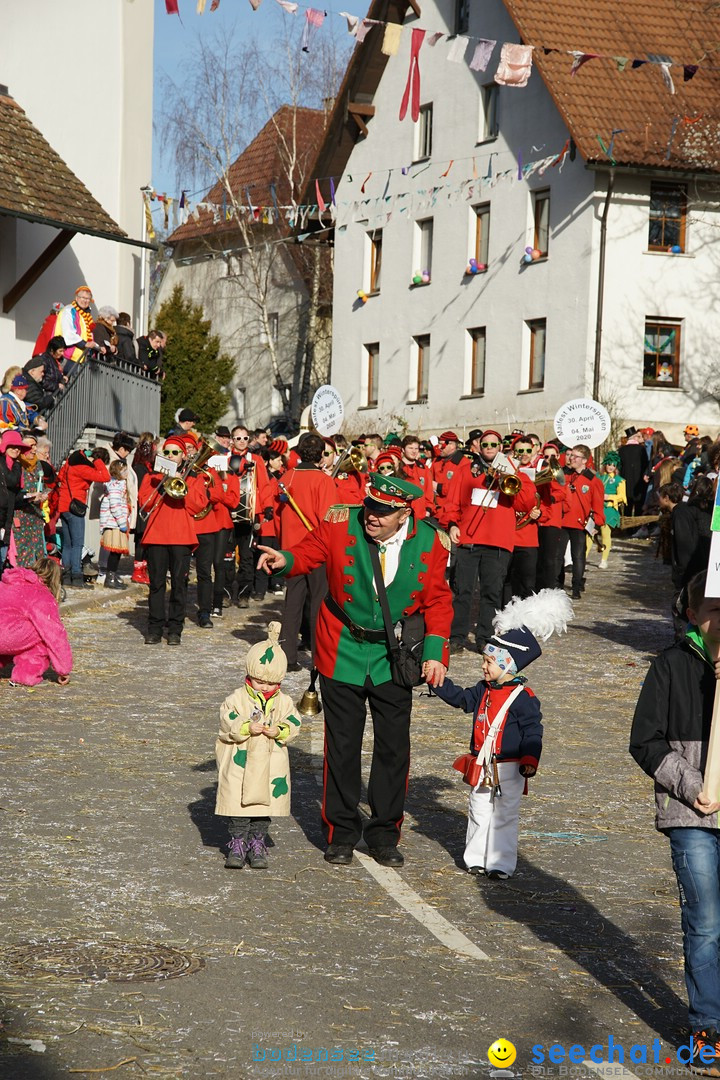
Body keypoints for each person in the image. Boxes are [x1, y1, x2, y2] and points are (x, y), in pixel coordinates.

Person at [258, 472, 453, 868]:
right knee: (342, 746)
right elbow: (308, 552)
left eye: (383, 511)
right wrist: (285, 561)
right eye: (370, 506)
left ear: (404, 514)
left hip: (393, 655)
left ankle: (384, 834)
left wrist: (435, 652)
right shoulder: (338, 522)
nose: (372, 516)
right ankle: (342, 832)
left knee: (393, 748)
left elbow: (438, 600)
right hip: (341, 646)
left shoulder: (431, 542)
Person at [629, 571, 720, 1075]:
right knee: (705, 923)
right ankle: (708, 1029)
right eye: (712, 607)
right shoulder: (670, 665)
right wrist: (694, 787)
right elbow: (645, 740)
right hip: (691, 816)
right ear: (692, 614)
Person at [434, 590, 570, 878]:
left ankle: (500, 864)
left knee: (505, 816)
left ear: (508, 664)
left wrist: (530, 758)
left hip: (510, 767)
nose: (483, 666)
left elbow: (534, 731)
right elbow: (461, 699)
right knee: (478, 811)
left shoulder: (524, 698)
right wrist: (438, 683)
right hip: (482, 764)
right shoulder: (482, 689)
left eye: (489, 662)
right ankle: (475, 859)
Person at [215, 621, 301, 869]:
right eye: (259, 681)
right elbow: (227, 718)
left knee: (263, 808)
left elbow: (294, 721)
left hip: (270, 764)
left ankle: (257, 843)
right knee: (239, 806)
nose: (265, 687)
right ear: (249, 676)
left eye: (271, 683)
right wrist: (244, 727)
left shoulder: (283, 701)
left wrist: (280, 729)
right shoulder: (237, 698)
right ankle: (238, 842)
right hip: (241, 761)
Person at [444, 431, 536, 653]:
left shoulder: (513, 471)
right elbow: (452, 501)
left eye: (494, 444)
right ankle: (457, 637)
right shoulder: (466, 470)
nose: (489, 447)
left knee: (491, 592)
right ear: (478, 446)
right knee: (462, 591)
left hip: (498, 542)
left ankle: (485, 637)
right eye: (485, 444)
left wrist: (510, 476)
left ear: (500, 447)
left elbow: (526, 503)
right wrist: (452, 524)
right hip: (468, 539)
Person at [138, 435, 206, 645]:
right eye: (166, 452)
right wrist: (163, 482)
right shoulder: (152, 477)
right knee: (156, 584)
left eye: (175, 452)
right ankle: (155, 628)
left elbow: (198, 506)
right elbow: (145, 504)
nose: (170, 456)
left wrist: (180, 483)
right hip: (157, 536)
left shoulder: (193, 477)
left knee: (179, 584)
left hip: (181, 536)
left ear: (183, 456)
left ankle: (175, 629)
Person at [276, 433, 336, 671]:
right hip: (316, 549)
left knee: (293, 604)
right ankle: (319, 660)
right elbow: (329, 518)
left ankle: (288, 657)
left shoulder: (286, 476)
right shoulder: (323, 481)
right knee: (320, 604)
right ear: (322, 454)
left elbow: (278, 512)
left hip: (291, 550)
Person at [0, 556, 72, 687]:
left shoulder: (7, 582)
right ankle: (26, 674)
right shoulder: (41, 594)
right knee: (43, 635)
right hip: (5, 637)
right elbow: (55, 635)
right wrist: (64, 668)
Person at [57, 448, 111, 589]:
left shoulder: (69, 463)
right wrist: (98, 460)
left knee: (67, 544)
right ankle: (76, 576)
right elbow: (105, 476)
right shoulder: (82, 467)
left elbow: (60, 479)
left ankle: (66, 577)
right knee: (77, 544)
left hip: (63, 506)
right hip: (75, 507)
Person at [561, 445, 605, 600]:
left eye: (576, 456)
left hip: (579, 522)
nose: (571, 458)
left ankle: (576, 586)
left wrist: (597, 523)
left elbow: (598, 504)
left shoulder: (593, 480)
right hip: (561, 520)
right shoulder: (564, 475)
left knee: (578, 556)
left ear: (584, 460)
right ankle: (558, 586)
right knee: (558, 555)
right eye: (571, 455)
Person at [592, 452, 626, 570]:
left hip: (609, 509)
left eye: (614, 465)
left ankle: (604, 560)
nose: (611, 467)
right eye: (609, 464)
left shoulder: (619, 480)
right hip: (595, 508)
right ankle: (583, 557)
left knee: (606, 534)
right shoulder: (597, 476)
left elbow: (623, 497)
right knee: (589, 534)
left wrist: (610, 497)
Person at [99, 460, 130, 590]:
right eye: (125, 471)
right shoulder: (116, 486)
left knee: (116, 553)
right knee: (115, 552)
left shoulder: (117, 484)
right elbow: (115, 505)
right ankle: (110, 577)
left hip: (116, 522)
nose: (127, 473)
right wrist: (122, 522)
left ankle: (112, 575)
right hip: (115, 523)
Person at [56, 286, 97, 372]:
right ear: (76, 298)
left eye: (88, 299)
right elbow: (68, 333)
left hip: (82, 357)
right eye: (83, 298)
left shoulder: (87, 314)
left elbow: (88, 334)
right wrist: (85, 344)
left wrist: (98, 346)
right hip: (69, 356)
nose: (85, 301)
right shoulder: (69, 310)